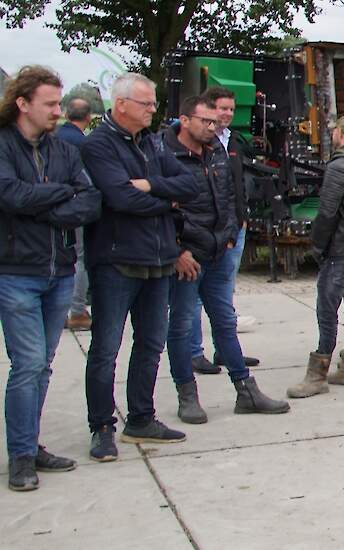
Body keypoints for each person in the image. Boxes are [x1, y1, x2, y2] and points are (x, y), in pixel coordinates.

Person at [81, 73, 200, 461]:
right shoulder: (99, 145)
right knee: (106, 348)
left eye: (152, 103)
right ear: (121, 106)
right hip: (117, 262)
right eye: (146, 104)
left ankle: (141, 418)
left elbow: (190, 184)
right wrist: (167, 201)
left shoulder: (151, 143)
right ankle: (101, 427)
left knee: (150, 344)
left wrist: (150, 187)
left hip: (158, 260)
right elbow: (119, 198)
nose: (153, 110)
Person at [0, 66, 101, 491]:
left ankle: (30, 443)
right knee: (27, 365)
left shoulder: (63, 150)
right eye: (50, 104)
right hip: (16, 272)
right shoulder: (3, 145)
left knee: (42, 366)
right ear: (23, 103)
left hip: (59, 271)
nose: (57, 111)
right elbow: (9, 194)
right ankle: (21, 456)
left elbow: (91, 200)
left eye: (60, 104)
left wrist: (42, 201)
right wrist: (61, 193)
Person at [164, 96, 289, 424]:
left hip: (219, 252)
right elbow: (160, 208)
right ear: (185, 119)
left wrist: (231, 234)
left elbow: (230, 195)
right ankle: (187, 395)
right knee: (181, 327)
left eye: (214, 122)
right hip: (187, 258)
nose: (212, 127)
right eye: (205, 121)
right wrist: (176, 251)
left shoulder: (218, 150)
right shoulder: (164, 153)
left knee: (224, 323)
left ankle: (245, 391)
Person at [288, 114, 344, 397]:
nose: (332, 134)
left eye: (335, 130)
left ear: (342, 133)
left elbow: (327, 212)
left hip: (339, 248)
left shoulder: (341, 166)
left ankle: (317, 375)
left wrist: (317, 245)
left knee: (327, 309)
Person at [186, 86, 260, 375]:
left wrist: (241, 219)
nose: (227, 114)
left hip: (233, 228)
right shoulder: (197, 144)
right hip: (203, 232)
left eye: (231, 108)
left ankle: (226, 351)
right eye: (222, 108)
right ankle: (193, 353)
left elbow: (238, 186)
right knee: (191, 297)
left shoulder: (236, 142)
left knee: (223, 293)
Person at [57, 96, 95, 330]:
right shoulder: (84, 143)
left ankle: (63, 309)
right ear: (89, 118)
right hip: (78, 205)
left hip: (58, 206)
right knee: (82, 258)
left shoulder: (56, 138)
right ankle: (78, 311)